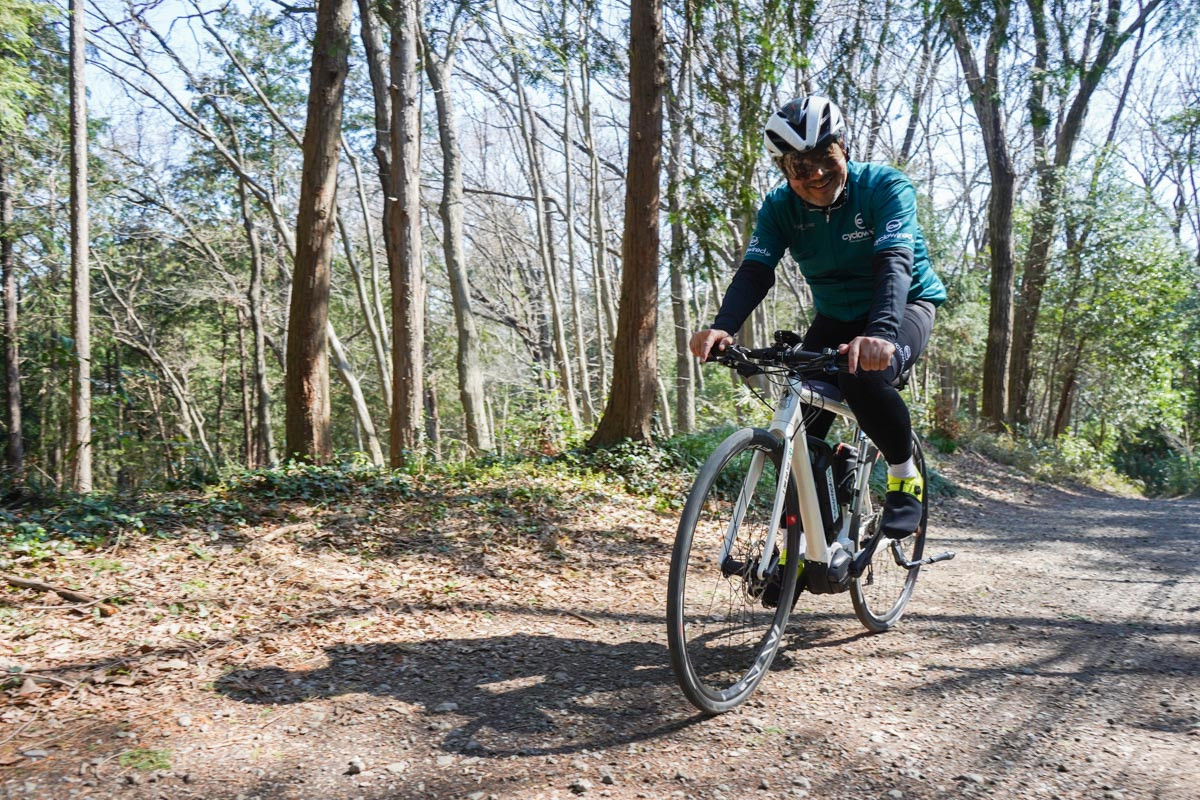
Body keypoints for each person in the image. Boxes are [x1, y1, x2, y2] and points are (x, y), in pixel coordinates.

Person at [688, 96, 946, 539]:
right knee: (800, 422)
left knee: (860, 376)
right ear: (786, 172)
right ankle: (803, 551)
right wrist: (724, 326)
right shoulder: (780, 208)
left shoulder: (885, 187)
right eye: (800, 167)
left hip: (903, 306)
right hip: (836, 315)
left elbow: (894, 262)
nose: (817, 174)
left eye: (824, 157)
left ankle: (904, 475)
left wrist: (880, 333)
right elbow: (755, 271)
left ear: (842, 147)